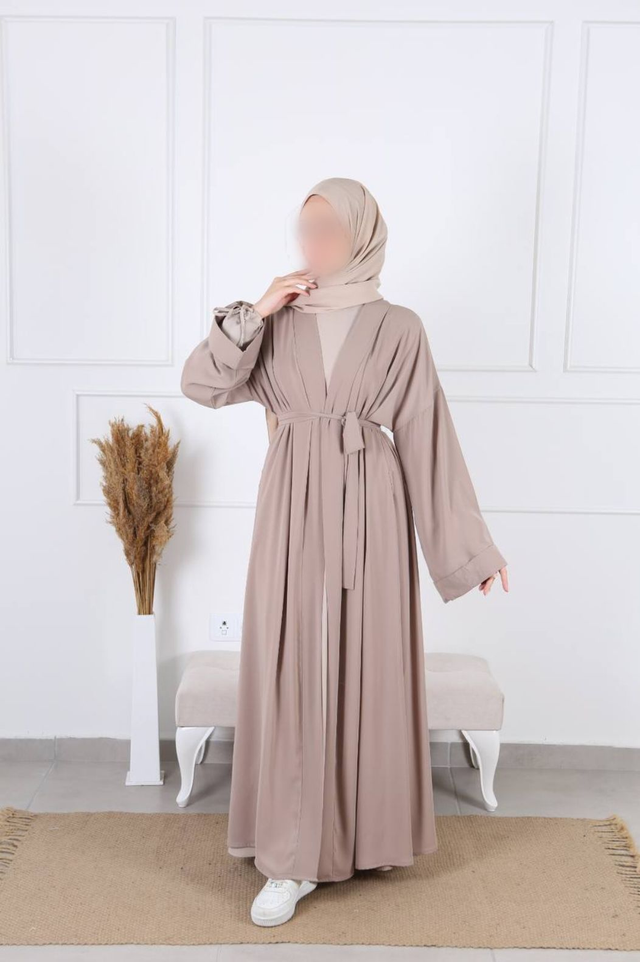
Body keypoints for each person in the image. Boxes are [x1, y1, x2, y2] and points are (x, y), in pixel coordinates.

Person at [180, 177, 509, 927]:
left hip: (372, 503)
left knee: (367, 659)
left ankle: (363, 836)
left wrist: (472, 551)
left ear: (362, 236)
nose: (314, 245)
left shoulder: (399, 327)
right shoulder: (276, 322)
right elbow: (201, 385)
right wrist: (254, 311)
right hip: (291, 503)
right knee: (293, 659)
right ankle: (290, 857)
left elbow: (427, 436)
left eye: (329, 229)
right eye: (306, 230)